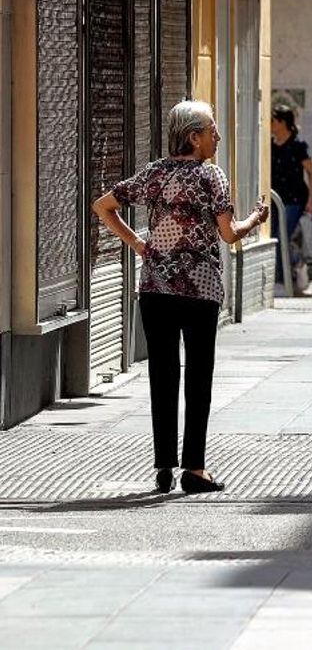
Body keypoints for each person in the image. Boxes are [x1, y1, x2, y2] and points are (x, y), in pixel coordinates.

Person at [91, 101, 270, 495]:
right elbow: (228, 233)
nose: (217, 137)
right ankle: (194, 469)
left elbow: (103, 206)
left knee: (162, 375)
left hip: (155, 289)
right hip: (200, 290)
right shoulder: (211, 176)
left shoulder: (156, 173)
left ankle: (162, 467)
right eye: (212, 130)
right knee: (199, 377)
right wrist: (256, 219)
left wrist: (139, 243)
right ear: (194, 136)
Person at [269, 105, 312, 283]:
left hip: (293, 200)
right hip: (274, 200)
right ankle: (286, 272)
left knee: (283, 238)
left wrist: (311, 201)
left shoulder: (298, 145)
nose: (270, 124)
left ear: (282, 122)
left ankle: (283, 280)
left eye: (273, 120)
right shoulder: (271, 145)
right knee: (273, 239)